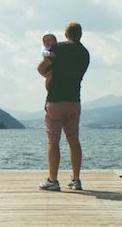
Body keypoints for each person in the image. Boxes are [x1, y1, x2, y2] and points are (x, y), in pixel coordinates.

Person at [37, 21, 90, 191]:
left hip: (55, 101)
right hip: (74, 101)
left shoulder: (58, 48)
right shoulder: (85, 53)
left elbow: (41, 68)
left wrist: (49, 74)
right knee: (73, 140)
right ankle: (76, 179)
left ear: (66, 35)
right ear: (80, 35)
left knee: (53, 141)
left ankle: (53, 181)